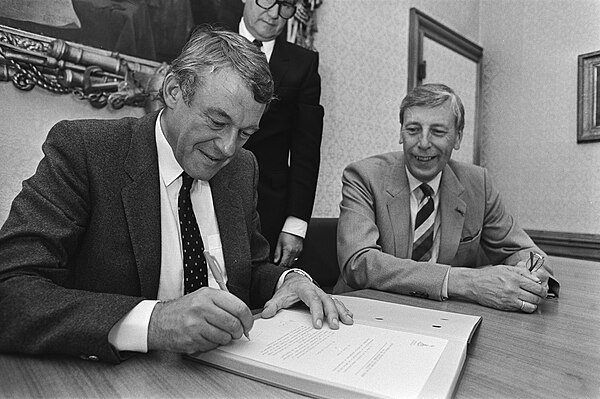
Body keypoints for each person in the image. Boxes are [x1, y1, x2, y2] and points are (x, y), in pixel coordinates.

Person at [0, 27, 352, 363]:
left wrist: (288, 280)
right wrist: (154, 324)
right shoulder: (85, 151)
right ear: (173, 91)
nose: (228, 148)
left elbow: (248, 268)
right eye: (216, 122)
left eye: (245, 132)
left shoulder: (243, 168)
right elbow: (11, 291)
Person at [334, 83, 559, 313]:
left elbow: (520, 249)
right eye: (413, 130)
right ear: (401, 133)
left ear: (458, 137)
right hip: (364, 312)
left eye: (438, 132)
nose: (423, 143)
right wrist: (465, 282)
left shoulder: (477, 183)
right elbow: (359, 263)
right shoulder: (363, 176)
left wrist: (531, 274)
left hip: (442, 317)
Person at [238, 0, 324, 267]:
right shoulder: (208, 40)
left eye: (286, 6)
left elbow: (306, 149)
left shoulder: (304, 63)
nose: (275, 14)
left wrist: (296, 224)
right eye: (267, 0)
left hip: (266, 208)